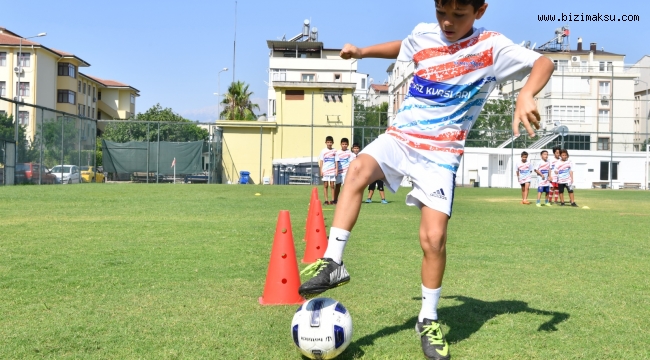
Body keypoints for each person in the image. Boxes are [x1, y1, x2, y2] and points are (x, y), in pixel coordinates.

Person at [298, 1, 553, 358]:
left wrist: (527, 92)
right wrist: (362, 51)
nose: (447, 22)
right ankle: (334, 262)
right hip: (401, 137)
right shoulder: (424, 33)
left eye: (459, 15)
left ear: (479, 11)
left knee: (433, 239)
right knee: (356, 169)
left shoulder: (492, 47)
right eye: (441, 12)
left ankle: (428, 319)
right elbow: (403, 47)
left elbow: (544, 61)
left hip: (440, 154)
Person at [333, 138, 355, 204]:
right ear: (340, 144)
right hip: (339, 172)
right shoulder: (338, 153)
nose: (344, 145)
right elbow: (335, 162)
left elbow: (351, 162)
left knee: (346, 187)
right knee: (337, 186)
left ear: (348, 145)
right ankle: (335, 199)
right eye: (343, 144)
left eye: (346, 144)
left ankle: (345, 200)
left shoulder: (350, 153)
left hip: (346, 172)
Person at [319, 136, 338, 205]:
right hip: (325, 170)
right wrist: (321, 170)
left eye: (330, 142)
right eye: (328, 142)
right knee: (325, 185)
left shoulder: (335, 151)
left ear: (332, 143)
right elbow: (321, 161)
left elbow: (336, 161)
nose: (329, 144)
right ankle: (326, 200)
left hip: (332, 170)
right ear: (326, 143)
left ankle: (333, 200)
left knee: (332, 185)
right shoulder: (323, 151)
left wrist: (336, 169)